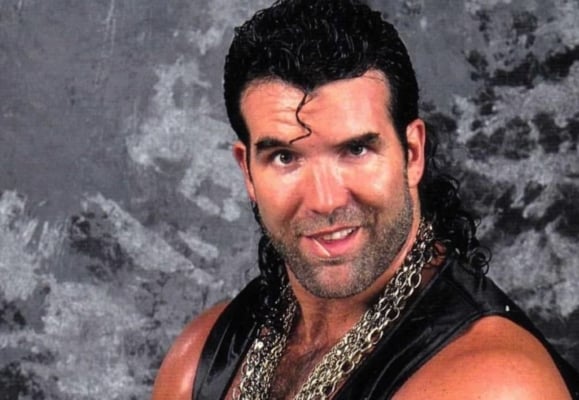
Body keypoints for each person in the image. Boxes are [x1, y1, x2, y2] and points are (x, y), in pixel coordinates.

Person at [152, 0, 579, 398]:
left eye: (355, 150)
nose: (324, 200)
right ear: (247, 170)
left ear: (412, 154)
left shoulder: (489, 382)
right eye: (284, 157)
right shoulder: (198, 360)